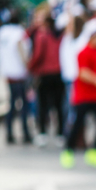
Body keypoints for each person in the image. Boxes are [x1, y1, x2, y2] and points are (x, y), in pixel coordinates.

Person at [61, 27, 96, 169]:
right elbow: (82, 72)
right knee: (77, 125)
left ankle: (94, 150)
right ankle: (67, 151)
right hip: (83, 96)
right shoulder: (83, 52)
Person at [28, 13, 65, 146]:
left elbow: (37, 55)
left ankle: (43, 132)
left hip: (45, 74)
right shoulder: (60, 36)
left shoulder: (42, 35)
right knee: (58, 105)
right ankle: (60, 133)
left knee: (43, 105)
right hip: (58, 74)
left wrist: (30, 67)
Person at [0, 12, 32, 144]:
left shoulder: (2, 31)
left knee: (11, 103)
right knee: (23, 104)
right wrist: (27, 66)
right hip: (19, 72)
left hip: (7, 72)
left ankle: (9, 132)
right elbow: (21, 48)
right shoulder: (18, 32)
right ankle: (25, 133)